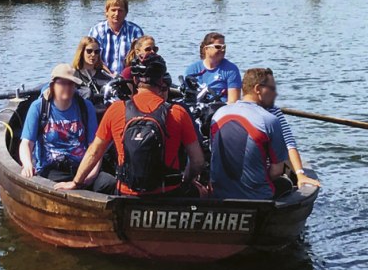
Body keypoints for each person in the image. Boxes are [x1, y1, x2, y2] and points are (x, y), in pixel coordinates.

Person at [60, 55, 205, 197]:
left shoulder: (116, 109)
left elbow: (95, 152)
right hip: (167, 193)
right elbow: (198, 161)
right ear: (161, 80)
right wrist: (186, 180)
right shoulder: (178, 112)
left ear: (135, 80)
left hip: (127, 194)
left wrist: (76, 182)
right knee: (202, 193)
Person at [208, 68, 318, 200]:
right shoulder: (269, 119)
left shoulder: (219, 114)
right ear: (258, 89)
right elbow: (277, 170)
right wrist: (299, 175)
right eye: (272, 89)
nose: (275, 94)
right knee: (285, 185)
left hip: (220, 193)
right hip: (256, 195)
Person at [19, 64, 104, 186]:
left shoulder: (86, 107)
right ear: (53, 85)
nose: (67, 88)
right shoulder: (38, 107)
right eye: (62, 83)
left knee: (109, 184)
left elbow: (94, 146)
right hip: (52, 169)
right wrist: (27, 164)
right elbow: (26, 143)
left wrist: (91, 175)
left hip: (81, 167)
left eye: (71, 84)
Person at [88, 0, 144, 76]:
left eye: (120, 10)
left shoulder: (135, 31)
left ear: (126, 13)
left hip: (128, 78)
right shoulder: (96, 31)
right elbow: (91, 58)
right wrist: (110, 74)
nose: (117, 14)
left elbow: (141, 58)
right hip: (101, 77)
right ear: (107, 12)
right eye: (113, 10)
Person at [183, 32, 243, 105]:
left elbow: (233, 102)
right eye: (218, 47)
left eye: (224, 47)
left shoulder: (231, 69)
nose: (222, 50)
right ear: (206, 49)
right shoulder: (192, 69)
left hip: (220, 109)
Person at [70, 36, 118, 109]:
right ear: (82, 52)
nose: (93, 54)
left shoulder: (104, 74)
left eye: (96, 52)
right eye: (89, 51)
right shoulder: (73, 75)